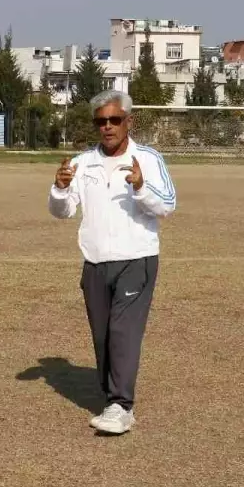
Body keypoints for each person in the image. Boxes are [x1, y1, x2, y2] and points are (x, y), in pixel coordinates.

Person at [48, 90, 176, 435]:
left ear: (128, 122)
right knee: (103, 336)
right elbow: (62, 212)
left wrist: (140, 187)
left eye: (114, 120)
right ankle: (112, 398)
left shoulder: (148, 159)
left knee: (123, 333)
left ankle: (121, 406)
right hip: (94, 262)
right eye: (101, 121)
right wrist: (59, 190)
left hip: (136, 259)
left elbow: (167, 206)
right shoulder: (81, 163)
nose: (107, 127)